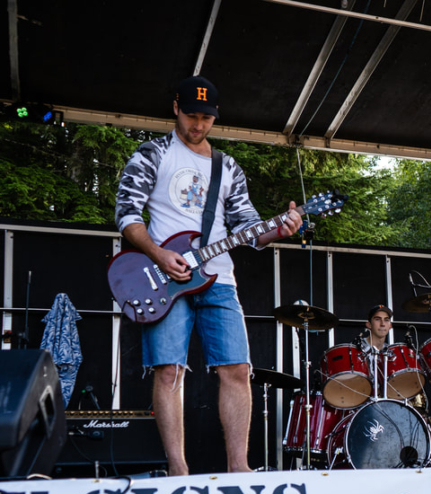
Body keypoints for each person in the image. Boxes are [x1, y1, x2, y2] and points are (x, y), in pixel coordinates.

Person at [114, 76, 302, 475]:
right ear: (176, 108)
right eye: (192, 115)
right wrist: (159, 254)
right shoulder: (152, 153)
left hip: (219, 278)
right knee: (169, 371)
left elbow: (248, 228)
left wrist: (280, 228)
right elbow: (127, 214)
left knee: (237, 369)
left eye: (206, 118)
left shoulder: (227, 167)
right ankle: (178, 471)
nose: (198, 125)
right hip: (164, 278)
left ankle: (239, 468)